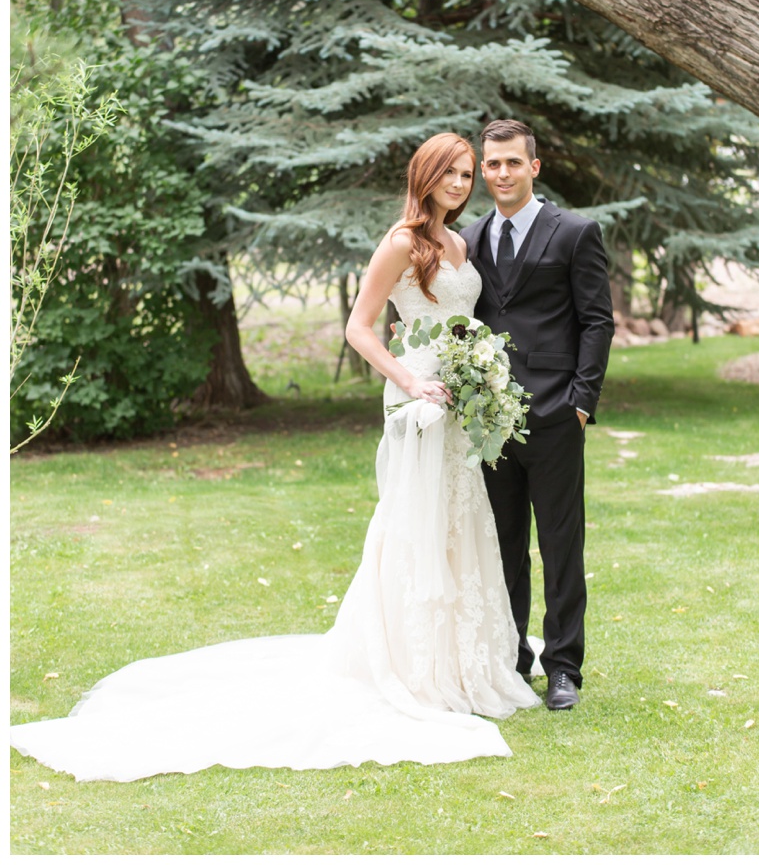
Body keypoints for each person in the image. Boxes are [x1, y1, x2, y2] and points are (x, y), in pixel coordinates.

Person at [9, 133, 538, 782]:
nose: (461, 183)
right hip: (419, 399)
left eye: (466, 173)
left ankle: (467, 663)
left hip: (457, 401)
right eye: (450, 173)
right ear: (424, 176)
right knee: (414, 525)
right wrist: (409, 380)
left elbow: (458, 316)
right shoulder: (403, 240)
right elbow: (359, 326)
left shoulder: (460, 242)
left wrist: (473, 371)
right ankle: (413, 665)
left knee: (459, 524)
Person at [460, 119, 613, 711]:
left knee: (560, 543)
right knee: (501, 545)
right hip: (488, 422)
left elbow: (597, 320)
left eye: (512, 163)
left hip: (554, 412)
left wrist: (581, 402)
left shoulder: (574, 232)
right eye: (491, 165)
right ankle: (511, 658)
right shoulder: (468, 239)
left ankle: (564, 666)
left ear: (534, 167)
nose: (501, 174)